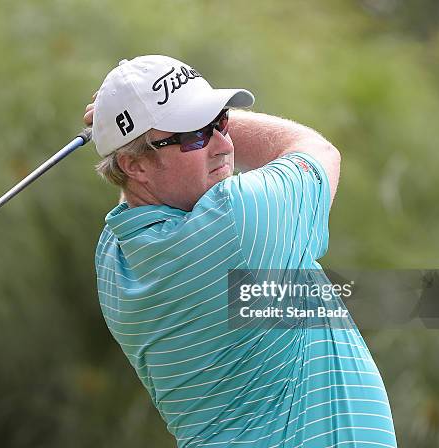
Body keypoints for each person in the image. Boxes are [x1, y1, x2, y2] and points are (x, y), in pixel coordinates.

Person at [85, 55, 397, 447]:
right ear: (136, 166)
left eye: (221, 122)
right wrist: (122, 117)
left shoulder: (113, 258)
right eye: (194, 135)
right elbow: (316, 150)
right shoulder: (238, 220)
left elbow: (131, 183)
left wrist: (125, 121)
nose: (223, 145)